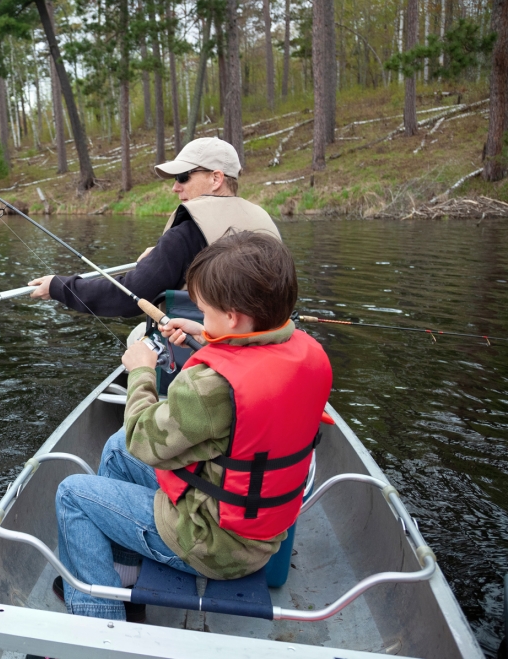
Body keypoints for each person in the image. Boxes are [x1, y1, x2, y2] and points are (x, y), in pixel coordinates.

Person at [52, 232, 333, 622]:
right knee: (114, 448)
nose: (203, 318)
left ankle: (96, 625)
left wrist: (141, 373)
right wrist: (208, 337)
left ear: (234, 316)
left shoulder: (207, 389)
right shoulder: (301, 350)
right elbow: (244, 386)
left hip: (212, 546)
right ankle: (126, 574)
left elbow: (142, 439)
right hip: (260, 535)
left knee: (72, 494)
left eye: (207, 311)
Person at [28, 137, 280, 317]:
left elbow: (128, 297)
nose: (175, 187)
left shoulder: (186, 233)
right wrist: (165, 257)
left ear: (216, 179)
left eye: (183, 177)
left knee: (136, 341)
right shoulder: (261, 218)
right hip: (260, 342)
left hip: (206, 352)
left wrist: (58, 286)